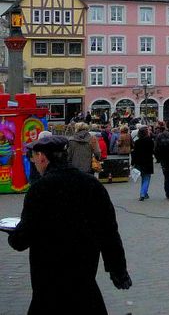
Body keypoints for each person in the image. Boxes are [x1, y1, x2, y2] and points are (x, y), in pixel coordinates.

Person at [7, 134, 131, 313]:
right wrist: (118, 269)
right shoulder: (92, 185)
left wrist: (13, 234)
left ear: (42, 156)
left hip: (48, 282)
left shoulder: (40, 189)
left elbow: (22, 239)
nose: (33, 161)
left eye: (33, 157)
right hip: (84, 279)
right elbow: (109, 231)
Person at [131, 125, 154, 200]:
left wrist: (132, 162)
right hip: (148, 161)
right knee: (146, 178)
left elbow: (134, 153)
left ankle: (144, 192)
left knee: (143, 177)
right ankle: (143, 193)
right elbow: (152, 151)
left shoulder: (137, 142)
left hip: (139, 162)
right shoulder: (150, 141)